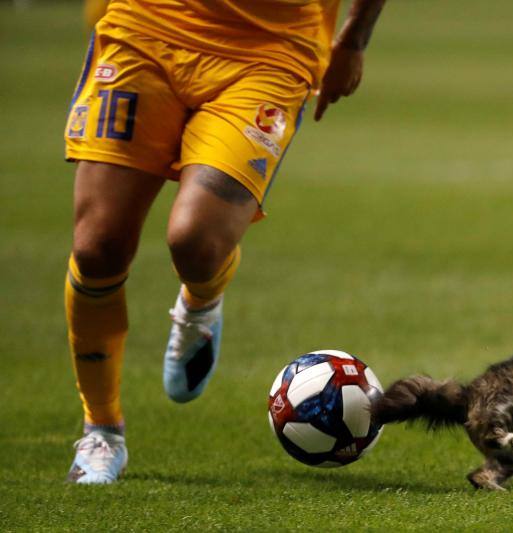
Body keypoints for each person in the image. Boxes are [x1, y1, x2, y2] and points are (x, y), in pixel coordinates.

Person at [63, 0, 386, 484]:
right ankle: (102, 430)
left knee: (196, 242)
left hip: (271, 49)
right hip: (147, 25)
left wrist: (354, 39)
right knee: (97, 247)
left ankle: (200, 301)